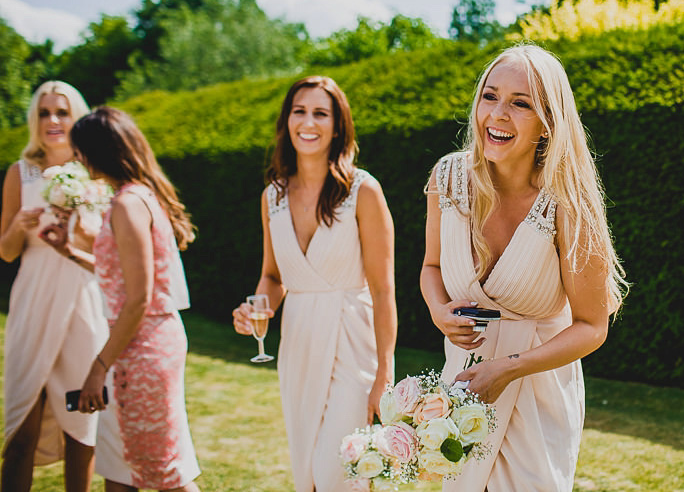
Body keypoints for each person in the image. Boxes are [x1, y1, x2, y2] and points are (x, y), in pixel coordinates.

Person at [420, 45, 628, 491]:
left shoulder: (568, 203)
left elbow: (593, 326)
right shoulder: (447, 178)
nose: (497, 114)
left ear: (548, 122)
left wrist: (510, 367)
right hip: (464, 382)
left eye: (521, 103)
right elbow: (431, 267)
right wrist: (439, 310)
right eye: (490, 96)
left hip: (537, 393)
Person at [231, 76, 397, 492]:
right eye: (299, 111)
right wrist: (256, 309)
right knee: (306, 471)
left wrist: (384, 371)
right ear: (287, 120)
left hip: (351, 340)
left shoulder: (363, 190)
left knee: (336, 471)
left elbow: (383, 289)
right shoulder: (273, 196)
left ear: (338, 126)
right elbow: (272, 277)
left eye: (320, 113)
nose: (308, 122)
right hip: (298, 342)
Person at [40, 106, 201, 492]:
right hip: (141, 343)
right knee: (121, 465)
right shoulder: (141, 196)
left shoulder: (128, 205)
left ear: (98, 151)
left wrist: (99, 366)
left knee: (162, 468)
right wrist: (69, 251)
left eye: (80, 150)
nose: (77, 158)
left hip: (141, 348)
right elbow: (123, 274)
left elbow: (138, 298)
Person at [1, 81, 108, 492]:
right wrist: (18, 226)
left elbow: (106, 256)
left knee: (82, 431)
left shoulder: (97, 175)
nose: (53, 121)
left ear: (76, 116)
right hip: (32, 301)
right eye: (44, 113)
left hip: (82, 304)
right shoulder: (20, 172)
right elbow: (7, 252)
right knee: (21, 428)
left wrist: (76, 229)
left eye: (61, 112)